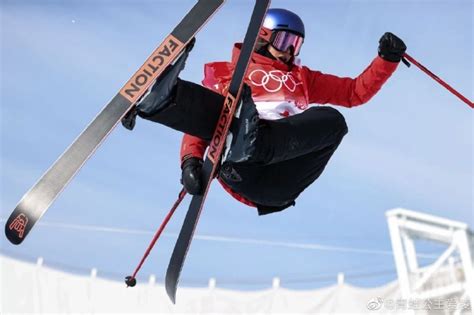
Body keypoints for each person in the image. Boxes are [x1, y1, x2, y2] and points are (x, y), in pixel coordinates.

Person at [122, 8, 407, 215]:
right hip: (239, 170)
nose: (289, 51)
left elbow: (353, 92)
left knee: (334, 121)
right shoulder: (230, 74)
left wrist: (386, 60)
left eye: (296, 45)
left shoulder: (302, 78)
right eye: (284, 41)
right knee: (224, 107)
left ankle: (255, 140)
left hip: (279, 179)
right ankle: (160, 102)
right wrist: (190, 161)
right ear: (263, 36)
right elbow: (200, 126)